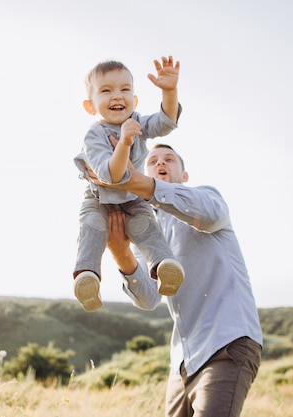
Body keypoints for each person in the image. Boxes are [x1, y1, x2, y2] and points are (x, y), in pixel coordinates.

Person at [102, 144, 264, 417]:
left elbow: (209, 216)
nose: (160, 163)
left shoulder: (206, 197)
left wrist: (142, 184)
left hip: (227, 343)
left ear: (184, 175)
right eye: (152, 161)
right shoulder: (147, 232)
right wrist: (120, 253)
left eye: (169, 159)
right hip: (183, 361)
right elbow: (149, 297)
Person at [72, 57, 185, 312]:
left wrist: (169, 91)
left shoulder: (136, 121)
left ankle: (164, 266)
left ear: (134, 101)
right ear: (91, 106)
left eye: (125, 89)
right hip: (99, 199)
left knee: (146, 227)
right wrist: (124, 143)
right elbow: (110, 174)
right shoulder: (94, 134)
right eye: (106, 90)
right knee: (92, 227)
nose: (117, 96)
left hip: (133, 200)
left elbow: (165, 122)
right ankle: (88, 276)